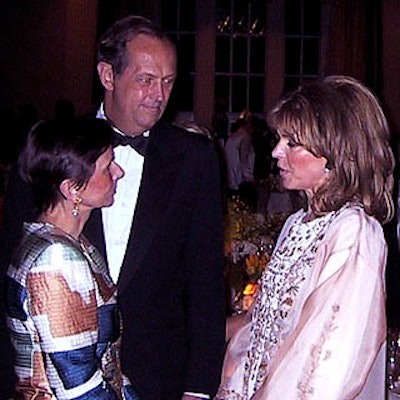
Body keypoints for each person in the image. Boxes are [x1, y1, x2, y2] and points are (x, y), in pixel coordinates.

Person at [0, 15, 226, 400]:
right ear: (107, 75)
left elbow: (206, 280)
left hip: (159, 378)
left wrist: (200, 388)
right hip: (54, 382)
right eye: (146, 80)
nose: (159, 95)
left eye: (169, 81)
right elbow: (11, 263)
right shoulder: (50, 150)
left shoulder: (195, 158)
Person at [215, 75, 394, 400]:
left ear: (335, 154)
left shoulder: (353, 232)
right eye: (279, 139)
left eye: (292, 143)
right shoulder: (297, 222)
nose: (276, 152)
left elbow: (326, 363)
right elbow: (262, 332)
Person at [5, 118, 142, 399]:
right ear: (73, 190)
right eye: (107, 166)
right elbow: (77, 386)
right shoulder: (56, 258)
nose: (118, 172)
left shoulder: (66, 242)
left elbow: (108, 366)